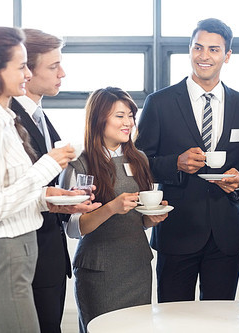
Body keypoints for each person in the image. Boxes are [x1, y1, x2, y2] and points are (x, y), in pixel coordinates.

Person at [0, 27, 96, 332]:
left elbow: (9, 191)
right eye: (21, 67)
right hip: (5, 256)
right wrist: (47, 166)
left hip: (19, 255)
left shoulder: (2, 119)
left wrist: (49, 200)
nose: (26, 74)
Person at [135, 18, 239, 303]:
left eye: (214, 50)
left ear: (227, 56)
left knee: (220, 319)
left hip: (225, 233)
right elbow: (140, 163)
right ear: (189, 49)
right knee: (173, 318)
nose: (204, 56)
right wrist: (175, 164)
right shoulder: (160, 103)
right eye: (198, 47)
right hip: (177, 230)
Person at [60, 87, 168, 333]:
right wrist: (111, 208)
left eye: (131, 115)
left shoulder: (139, 159)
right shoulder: (79, 163)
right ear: (99, 119)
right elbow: (74, 228)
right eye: (120, 116)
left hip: (136, 264)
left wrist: (152, 218)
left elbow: (138, 219)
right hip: (99, 269)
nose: (128, 123)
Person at [9, 28, 73, 333]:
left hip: (49, 254)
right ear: (26, 71)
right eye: (53, 66)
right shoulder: (7, 120)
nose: (63, 72)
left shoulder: (40, 117)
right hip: (24, 257)